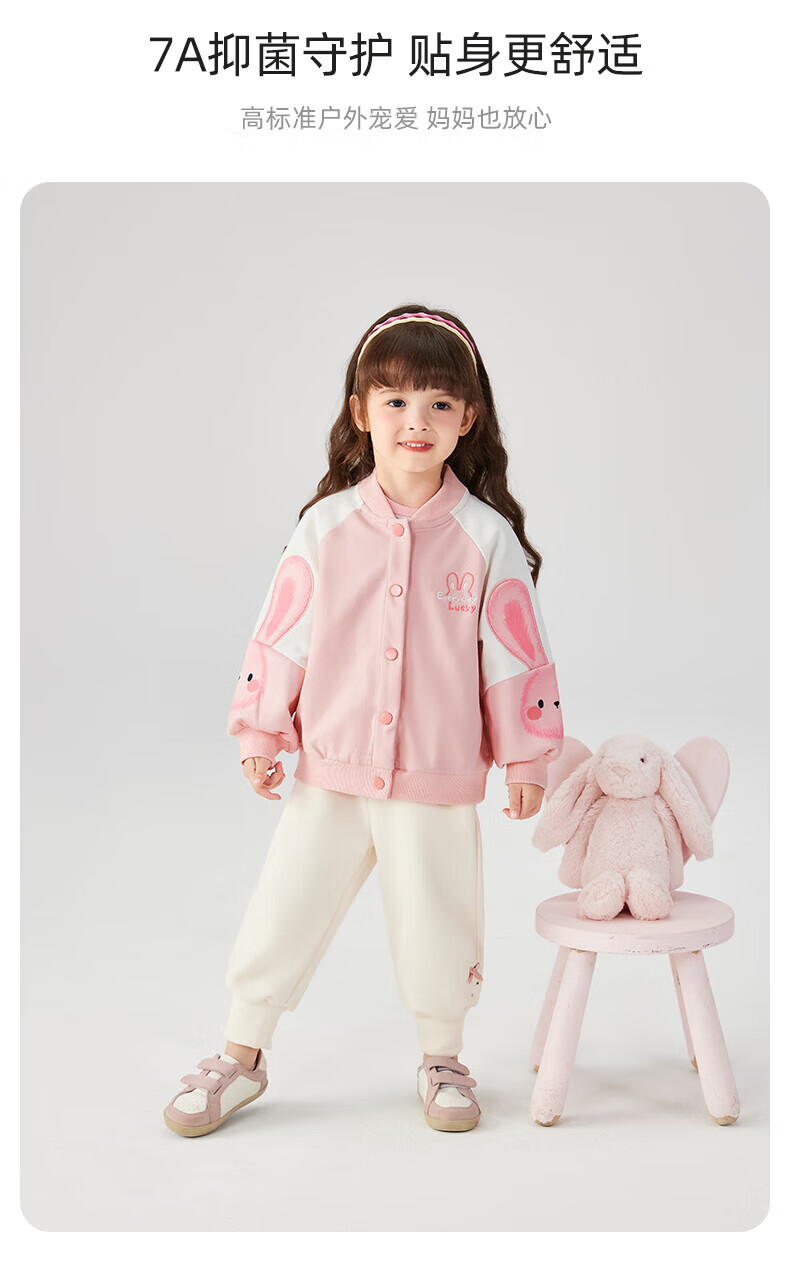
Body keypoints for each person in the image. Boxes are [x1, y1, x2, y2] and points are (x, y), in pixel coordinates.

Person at [163, 304, 564, 1137]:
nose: (416, 421)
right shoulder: (326, 527)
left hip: (436, 776)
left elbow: (516, 656)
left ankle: (442, 1057)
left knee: (440, 922)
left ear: (468, 418)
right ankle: (241, 1054)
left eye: (439, 403)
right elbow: (282, 635)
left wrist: (526, 759)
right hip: (332, 771)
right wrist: (262, 730)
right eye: (395, 400)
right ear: (361, 411)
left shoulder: (485, 538)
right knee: (284, 910)